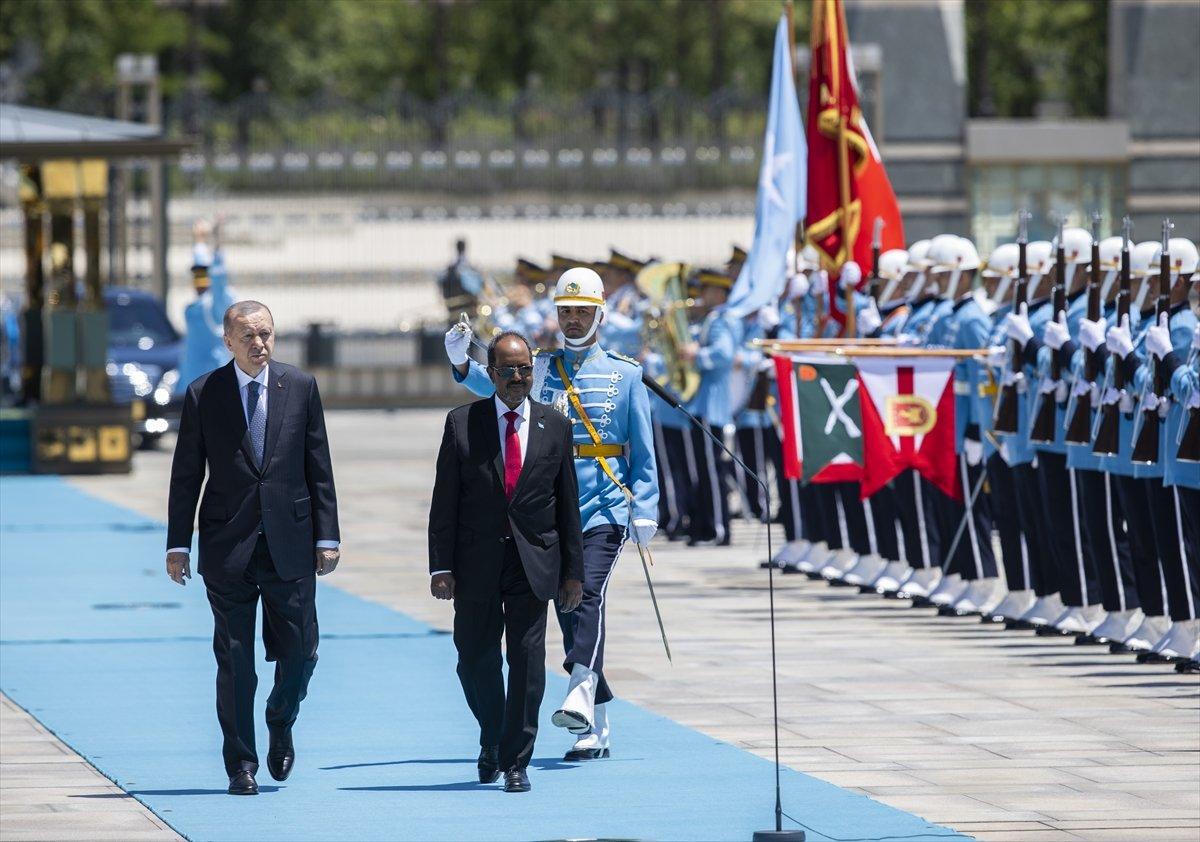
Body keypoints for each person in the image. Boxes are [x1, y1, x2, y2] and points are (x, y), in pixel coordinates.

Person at [443, 266, 659, 762]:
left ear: (601, 314)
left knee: (588, 596)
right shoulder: (541, 367)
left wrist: (645, 505)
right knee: (567, 609)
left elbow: (643, 450)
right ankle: (596, 723)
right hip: (552, 510)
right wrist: (460, 361)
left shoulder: (626, 375)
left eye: (583, 311)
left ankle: (580, 687)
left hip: (603, 504)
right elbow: (495, 386)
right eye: (566, 311)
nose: (574, 319)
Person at [165, 301, 340, 795]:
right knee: (235, 660)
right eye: (248, 336)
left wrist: (327, 536)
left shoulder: (300, 387)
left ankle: (280, 719)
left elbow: (319, 466)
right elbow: (186, 475)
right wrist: (178, 544)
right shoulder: (204, 393)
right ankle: (240, 764)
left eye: (266, 334)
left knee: (301, 653)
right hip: (228, 545)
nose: (259, 344)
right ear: (228, 342)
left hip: (291, 541)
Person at [428, 331, 584, 793]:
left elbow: (567, 505)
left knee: (527, 663)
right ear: (491, 373)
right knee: (473, 659)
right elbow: (444, 501)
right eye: (508, 370)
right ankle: (492, 736)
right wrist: (440, 566)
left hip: (533, 563)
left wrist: (572, 573)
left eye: (524, 369)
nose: (517, 378)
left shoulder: (556, 425)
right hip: (475, 561)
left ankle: (516, 759)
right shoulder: (462, 423)